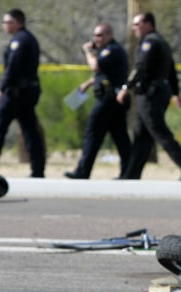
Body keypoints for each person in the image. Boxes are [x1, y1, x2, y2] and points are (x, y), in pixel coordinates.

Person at [116, 12, 181, 181]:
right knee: (142, 136)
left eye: (137, 24)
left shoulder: (150, 43)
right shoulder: (161, 42)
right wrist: (176, 93)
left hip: (150, 95)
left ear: (149, 24)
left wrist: (126, 87)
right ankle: (131, 175)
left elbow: (140, 67)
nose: (134, 29)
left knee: (159, 132)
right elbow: (172, 71)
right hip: (156, 93)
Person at [0, 8, 45, 178]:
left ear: (16, 22)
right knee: (30, 131)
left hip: (16, 93)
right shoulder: (28, 38)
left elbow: (13, 69)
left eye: (7, 22)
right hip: (26, 92)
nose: (4, 25)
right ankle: (38, 170)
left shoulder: (20, 41)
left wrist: (1, 89)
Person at [64, 23, 131, 179]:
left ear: (109, 35)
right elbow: (105, 75)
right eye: (95, 35)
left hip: (109, 100)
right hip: (112, 99)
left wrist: (88, 51)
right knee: (120, 137)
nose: (96, 39)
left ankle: (83, 171)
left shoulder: (111, 50)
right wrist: (87, 84)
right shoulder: (107, 51)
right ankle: (128, 172)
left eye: (100, 35)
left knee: (93, 134)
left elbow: (95, 67)